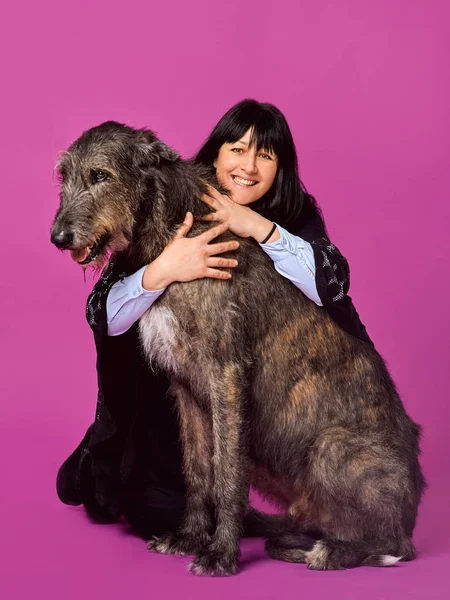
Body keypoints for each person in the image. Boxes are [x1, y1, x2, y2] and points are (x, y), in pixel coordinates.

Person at [56, 99, 372, 538]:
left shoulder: (292, 212)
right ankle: (109, 454)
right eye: (237, 150)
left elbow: (333, 284)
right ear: (217, 154)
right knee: (141, 504)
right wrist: (164, 270)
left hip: (270, 387)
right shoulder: (174, 197)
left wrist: (256, 226)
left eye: (266, 155)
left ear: (280, 168)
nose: (249, 166)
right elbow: (102, 313)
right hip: (173, 389)